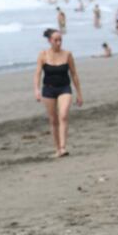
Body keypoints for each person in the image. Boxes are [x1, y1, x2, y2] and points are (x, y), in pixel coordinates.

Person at [34, 29, 83, 157]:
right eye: (56, 40)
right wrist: (36, 90)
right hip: (48, 90)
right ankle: (57, 149)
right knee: (53, 120)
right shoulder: (43, 55)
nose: (59, 43)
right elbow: (38, 73)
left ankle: (63, 147)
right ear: (50, 41)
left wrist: (79, 93)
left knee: (63, 115)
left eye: (60, 40)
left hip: (64, 88)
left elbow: (74, 74)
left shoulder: (67, 54)